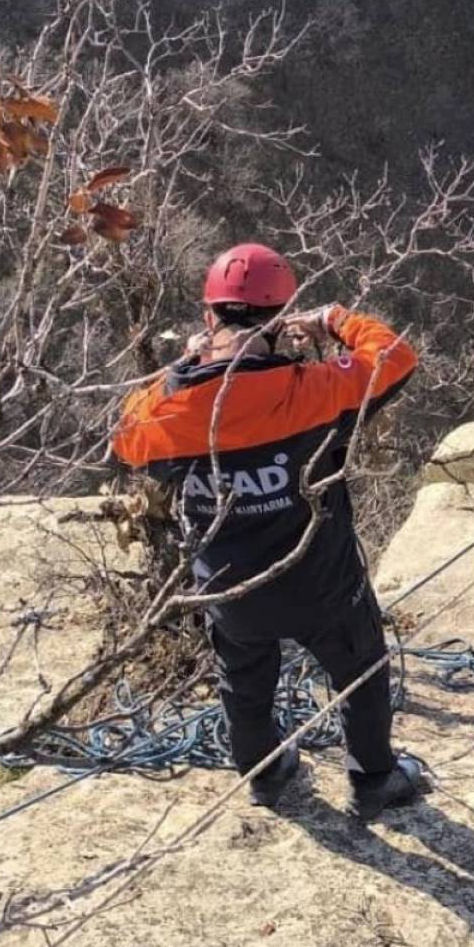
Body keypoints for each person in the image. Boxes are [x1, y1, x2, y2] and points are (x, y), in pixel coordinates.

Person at [111, 241, 426, 819]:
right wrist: (332, 320)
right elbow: (395, 356)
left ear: (209, 316)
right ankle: (374, 779)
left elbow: (125, 436)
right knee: (360, 670)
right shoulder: (314, 391)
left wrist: (183, 370)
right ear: (279, 319)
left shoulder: (175, 414)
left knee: (244, 681)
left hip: (230, 589)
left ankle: (265, 773)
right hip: (321, 584)